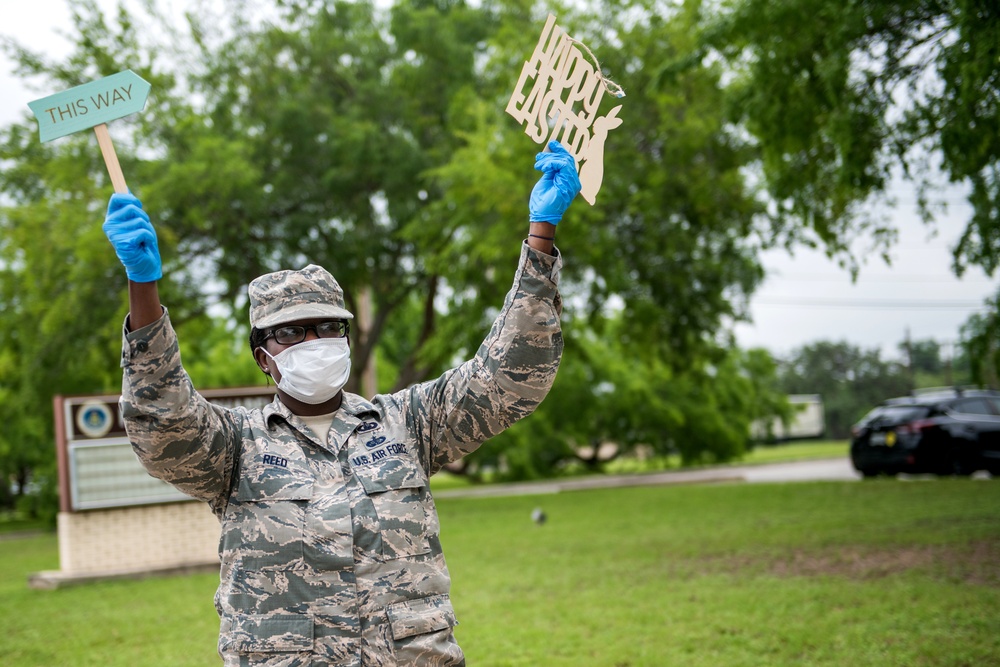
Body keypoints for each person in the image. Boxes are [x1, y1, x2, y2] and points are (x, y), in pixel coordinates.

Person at [103, 141, 581, 666]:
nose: (315, 340)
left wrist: (541, 238)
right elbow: (163, 426)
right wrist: (142, 289)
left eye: (329, 326)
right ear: (264, 357)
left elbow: (509, 378)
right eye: (293, 332)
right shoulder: (236, 446)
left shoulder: (407, 423)